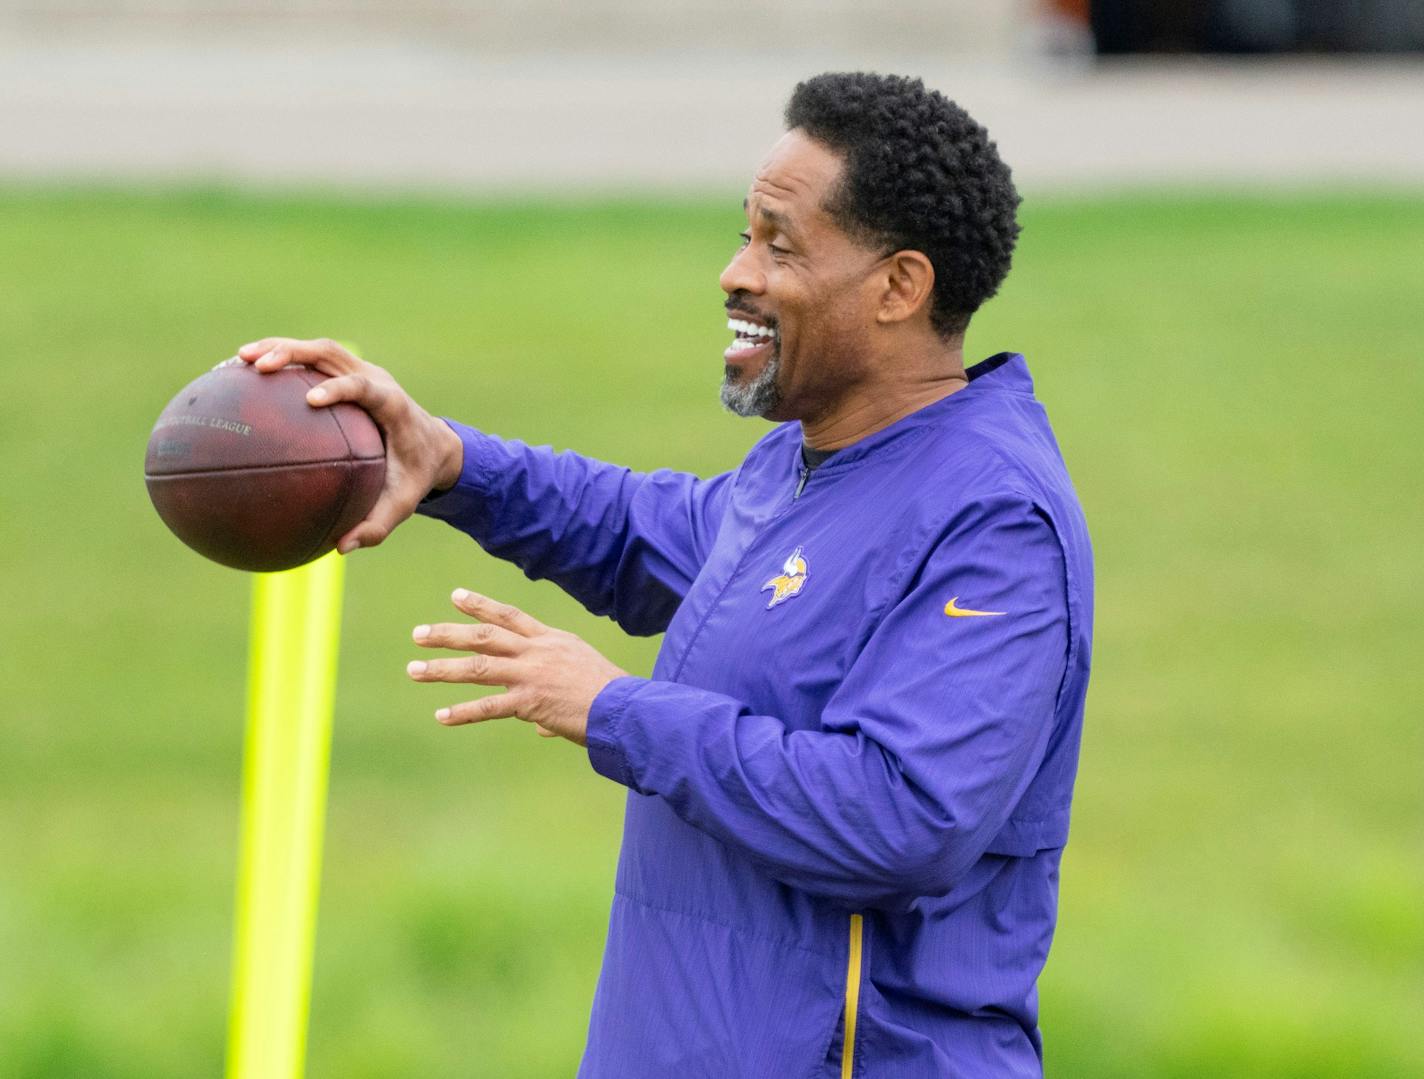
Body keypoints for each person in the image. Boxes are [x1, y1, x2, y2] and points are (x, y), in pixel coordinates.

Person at [237, 71, 1093, 1079]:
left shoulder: (992, 521)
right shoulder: (804, 460)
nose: (735, 273)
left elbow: (899, 817)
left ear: (899, 287)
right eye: (742, 235)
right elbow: (644, 531)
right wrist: (449, 458)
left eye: (779, 243)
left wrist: (611, 707)